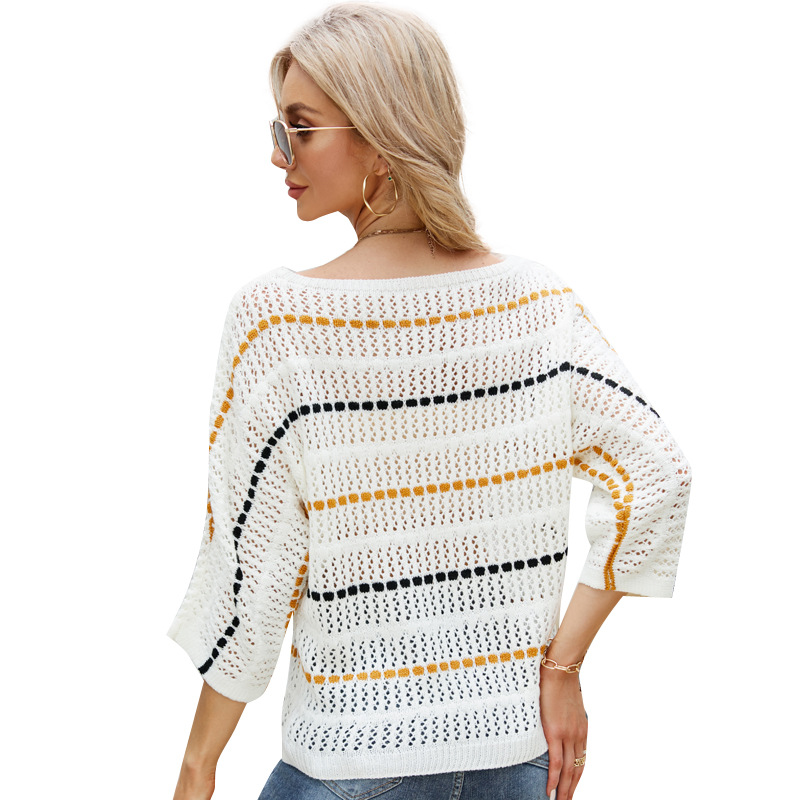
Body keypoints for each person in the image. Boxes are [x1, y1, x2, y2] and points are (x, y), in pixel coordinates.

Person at [168, 4, 692, 800]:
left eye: (298, 128)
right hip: (516, 760)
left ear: (379, 137)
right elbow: (656, 472)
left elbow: (256, 576)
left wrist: (198, 765)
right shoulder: (537, 302)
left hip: (350, 761)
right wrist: (563, 667)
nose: (277, 153)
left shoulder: (277, 323)